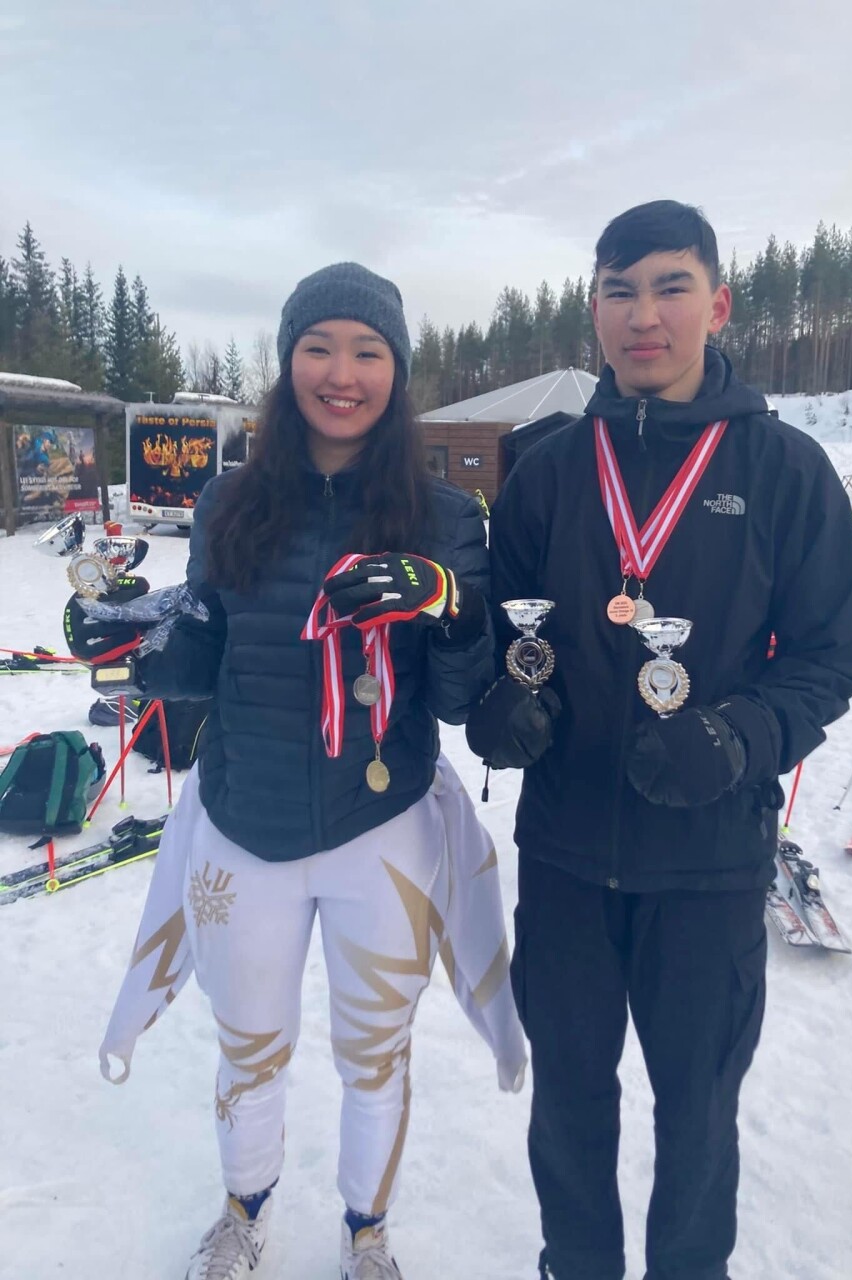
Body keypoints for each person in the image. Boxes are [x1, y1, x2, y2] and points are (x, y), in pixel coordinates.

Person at [65, 263, 524, 1280]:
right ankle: (245, 1207)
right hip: (245, 824)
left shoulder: (444, 516)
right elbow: (205, 654)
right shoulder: (230, 496)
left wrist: (447, 599)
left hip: (382, 827)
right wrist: (142, 648)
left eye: (368, 351)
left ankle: (367, 1230)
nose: (342, 373)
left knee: (374, 1053)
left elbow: (458, 698)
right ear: (287, 363)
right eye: (320, 347)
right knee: (250, 1042)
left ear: (398, 372)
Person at [466, 201, 852, 1280]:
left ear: (717, 302)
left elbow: (832, 657)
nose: (643, 314)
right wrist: (503, 713)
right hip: (563, 860)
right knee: (570, 1103)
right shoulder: (545, 469)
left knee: (699, 1113)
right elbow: (509, 643)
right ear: (592, 311)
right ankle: (577, 1262)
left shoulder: (786, 468)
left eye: (669, 285)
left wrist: (742, 735)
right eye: (619, 290)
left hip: (709, 863)